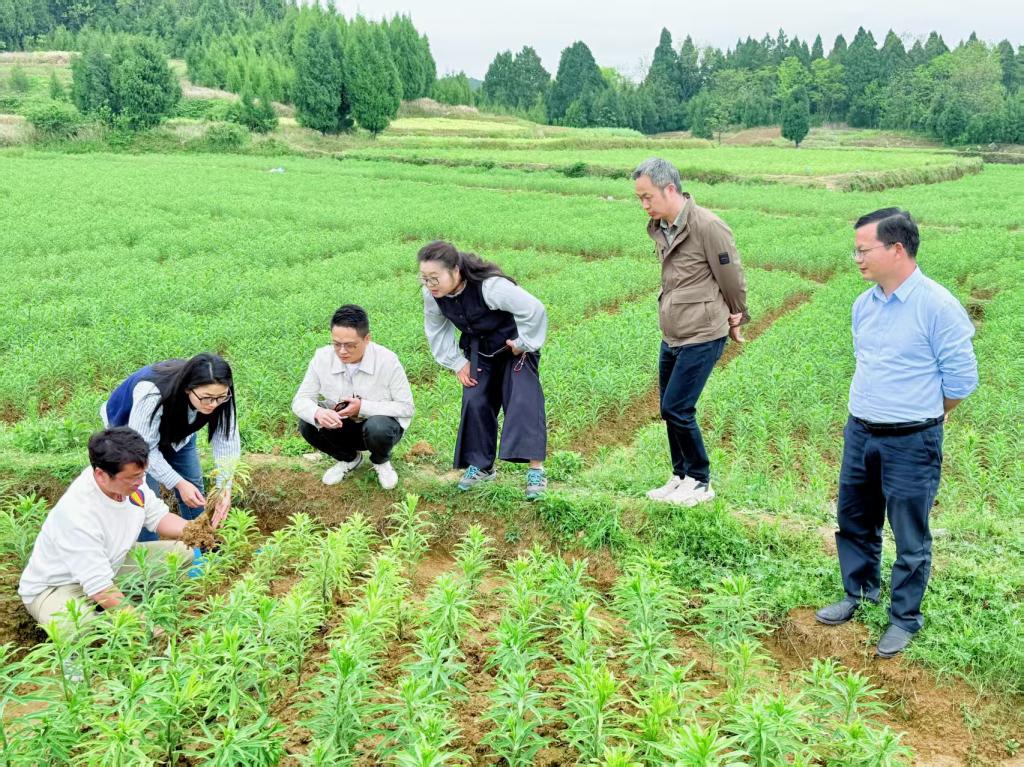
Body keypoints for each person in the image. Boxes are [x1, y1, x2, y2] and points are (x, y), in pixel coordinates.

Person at [816, 208, 977, 658]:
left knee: (909, 535)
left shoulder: (937, 305)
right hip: (860, 431)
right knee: (854, 519)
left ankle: (904, 617)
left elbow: (961, 380)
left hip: (911, 439)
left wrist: (926, 414)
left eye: (863, 250)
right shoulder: (863, 305)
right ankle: (859, 592)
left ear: (897, 249)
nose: (857, 259)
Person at [632, 157, 749, 507]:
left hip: (703, 332)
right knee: (668, 409)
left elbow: (731, 277)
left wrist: (737, 316)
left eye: (648, 196)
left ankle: (700, 480)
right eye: (639, 198)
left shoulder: (708, 226)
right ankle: (680, 475)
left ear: (670, 189)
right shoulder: (661, 227)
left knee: (678, 407)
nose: (644, 204)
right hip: (673, 332)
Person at [19, 427, 193, 633]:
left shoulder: (132, 482)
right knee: (77, 629)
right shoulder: (78, 512)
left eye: (142, 474)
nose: (140, 482)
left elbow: (158, 517)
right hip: (58, 585)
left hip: (111, 565)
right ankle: (111, 618)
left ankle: (125, 606)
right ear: (101, 475)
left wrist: (198, 531)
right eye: (133, 477)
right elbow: (100, 588)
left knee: (182, 553)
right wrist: (146, 626)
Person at [418, 240, 549, 500]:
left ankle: (536, 471)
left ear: (455, 271)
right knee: (475, 399)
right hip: (480, 351)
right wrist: (458, 363)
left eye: (435, 277)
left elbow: (533, 309)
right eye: (424, 278)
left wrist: (523, 343)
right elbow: (436, 330)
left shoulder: (491, 287)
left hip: (513, 349)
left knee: (523, 399)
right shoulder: (432, 296)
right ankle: (482, 467)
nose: (430, 284)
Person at [102, 352, 239, 541]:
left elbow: (226, 442)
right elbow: (144, 449)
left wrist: (224, 487)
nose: (214, 405)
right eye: (207, 398)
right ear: (188, 388)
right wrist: (178, 483)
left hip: (177, 434)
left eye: (220, 397)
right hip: (131, 436)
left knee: (193, 487)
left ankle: (201, 543)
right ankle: (147, 551)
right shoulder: (152, 392)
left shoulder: (221, 396)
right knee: (143, 496)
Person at [292, 304, 414, 490]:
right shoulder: (322, 358)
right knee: (307, 422)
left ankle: (381, 461)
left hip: (379, 430)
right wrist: (318, 413)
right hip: (341, 426)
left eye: (350, 345)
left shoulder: (387, 361)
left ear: (367, 339)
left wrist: (363, 407)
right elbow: (301, 400)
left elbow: (406, 407)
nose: (342, 351)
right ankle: (349, 459)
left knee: (378, 427)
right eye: (336, 344)